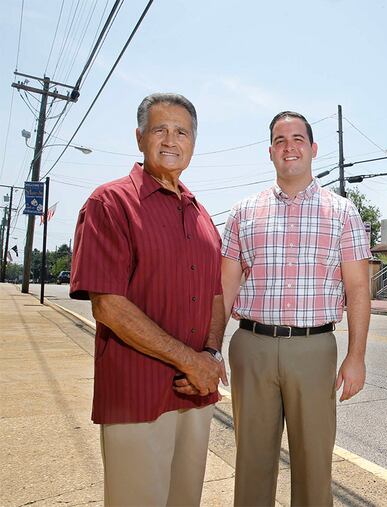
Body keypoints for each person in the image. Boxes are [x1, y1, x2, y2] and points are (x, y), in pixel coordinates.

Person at [69, 92, 228, 506]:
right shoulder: (109, 203)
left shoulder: (201, 213)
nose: (171, 140)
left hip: (195, 394)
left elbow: (215, 292)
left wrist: (210, 354)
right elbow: (109, 305)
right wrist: (190, 360)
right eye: (160, 129)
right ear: (140, 138)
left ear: (194, 142)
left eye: (182, 132)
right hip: (137, 396)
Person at [221, 111, 371, 506]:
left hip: (314, 349)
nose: (290, 146)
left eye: (298, 138)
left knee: (314, 463)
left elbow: (357, 289)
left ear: (313, 149)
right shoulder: (242, 212)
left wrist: (356, 357)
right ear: (270, 151)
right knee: (251, 460)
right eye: (281, 140)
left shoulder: (343, 212)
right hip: (251, 345)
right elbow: (224, 286)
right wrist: (209, 347)